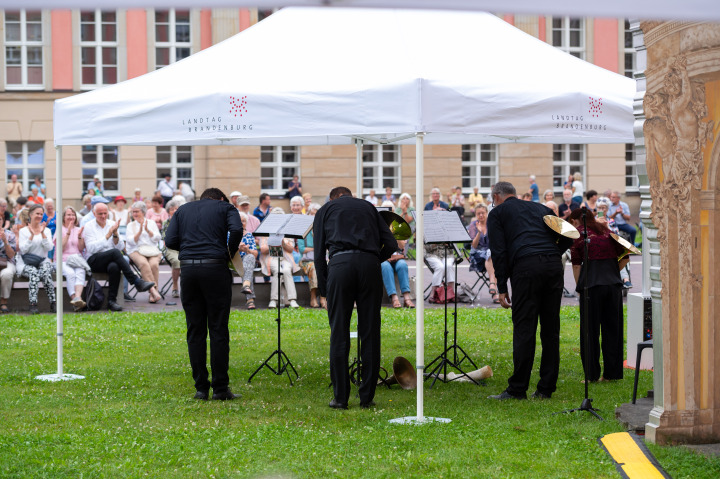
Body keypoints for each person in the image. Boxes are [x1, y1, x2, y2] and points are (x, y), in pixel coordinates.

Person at [487, 181, 572, 400]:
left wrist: (501, 287)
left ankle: (517, 389)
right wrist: (553, 252)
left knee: (525, 328)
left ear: (496, 197)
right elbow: (568, 235)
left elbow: (498, 251)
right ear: (514, 194)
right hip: (553, 266)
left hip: (526, 267)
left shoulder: (497, 213)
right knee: (550, 329)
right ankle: (546, 389)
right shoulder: (541, 208)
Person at [314, 186, 397, 410]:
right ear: (350, 195)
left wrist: (324, 290)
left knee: (339, 331)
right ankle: (366, 396)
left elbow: (319, 254)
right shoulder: (369, 207)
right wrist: (372, 258)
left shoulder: (325, 209)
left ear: (333, 198)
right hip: (369, 266)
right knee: (370, 330)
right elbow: (391, 243)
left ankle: (340, 398)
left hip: (339, 266)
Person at [164, 187, 243, 401]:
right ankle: (220, 388)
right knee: (218, 328)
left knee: (195, 330)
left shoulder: (182, 210)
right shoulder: (226, 207)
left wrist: (191, 247)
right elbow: (236, 230)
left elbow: (170, 241)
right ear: (220, 198)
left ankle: (200, 388)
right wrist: (228, 250)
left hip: (188, 270)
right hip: (215, 268)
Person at [568, 208, 626, 382]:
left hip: (591, 287)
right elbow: (625, 257)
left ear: (576, 220)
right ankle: (612, 374)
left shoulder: (577, 235)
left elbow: (577, 265)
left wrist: (580, 286)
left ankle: (591, 375)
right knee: (613, 330)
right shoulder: (607, 231)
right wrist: (611, 272)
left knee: (590, 332)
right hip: (613, 286)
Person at [83, 202, 155, 311]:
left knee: (114, 267)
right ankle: (136, 281)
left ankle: (111, 301)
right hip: (94, 260)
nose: (103, 216)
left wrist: (115, 234)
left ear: (108, 213)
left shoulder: (112, 223)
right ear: (94, 213)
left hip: (110, 260)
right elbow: (91, 249)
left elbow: (121, 246)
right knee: (114, 253)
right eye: (100, 214)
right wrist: (108, 235)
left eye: (105, 213)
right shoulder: (89, 226)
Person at [257, 207, 300, 309]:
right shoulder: (266, 230)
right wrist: (273, 243)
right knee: (278, 270)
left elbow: (290, 249)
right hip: (271, 258)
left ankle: (292, 300)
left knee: (285, 270)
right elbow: (263, 249)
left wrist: (283, 243)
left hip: (285, 258)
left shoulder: (287, 230)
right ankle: (274, 300)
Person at [17, 204, 56, 314]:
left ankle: (53, 303)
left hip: (42, 260)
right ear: (30, 214)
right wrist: (31, 236)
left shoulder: (46, 230)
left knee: (46, 272)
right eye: (37, 213)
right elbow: (23, 250)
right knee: (34, 273)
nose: (39, 216)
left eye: (41, 214)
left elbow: (49, 248)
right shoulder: (23, 231)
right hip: (26, 262)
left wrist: (42, 233)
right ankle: (33, 304)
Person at [125, 201, 164, 304]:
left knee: (154, 264)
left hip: (152, 250)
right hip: (136, 250)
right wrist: (140, 230)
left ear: (143, 212)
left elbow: (157, 238)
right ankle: (153, 291)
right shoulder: (130, 225)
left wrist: (147, 230)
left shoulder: (151, 223)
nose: (135, 214)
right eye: (133, 212)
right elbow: (130, 241)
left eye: (137, 211)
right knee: (144, 264)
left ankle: (152, 293)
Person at [55, 206, 88, 311]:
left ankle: (78, 297)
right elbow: (60, 248)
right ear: (64, 217)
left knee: (80, 271)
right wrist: (68, 233)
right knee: (70, 273)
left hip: (76, 259)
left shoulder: (79, 229)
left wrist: (79, 237)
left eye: (73, 215)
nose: (71, 217)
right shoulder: (59, 229)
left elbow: (81, 248)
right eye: (68, 215)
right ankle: (75, 300)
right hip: (62, 260)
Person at [294, 200, 323, 308]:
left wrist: (312, 248)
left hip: (321, 258)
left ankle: (324, 296)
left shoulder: (322, 229)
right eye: (312, 214)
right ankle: (313, 297)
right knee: (315, 267)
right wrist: (317, 248)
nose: (314, 217)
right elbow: (302, 249)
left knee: (329, 266)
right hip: (307, 260)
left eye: (316, 215)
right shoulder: (304, 230)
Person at [467, 204, 498, 303]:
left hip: (491, 255)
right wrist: (479, 232)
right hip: (477, 256)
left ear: (487, 213)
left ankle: (493, 287)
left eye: (483, 213)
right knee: (491, 256)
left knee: (494, 257)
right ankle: (494, 289)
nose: (481, 215)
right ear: (475, 214)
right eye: (478, 213)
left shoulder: (492, 223)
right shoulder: (473, 225)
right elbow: (474, 245)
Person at [160, 198, 184, 298]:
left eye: (176, 209)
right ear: (168, 211)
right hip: (170, 248)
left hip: (183, 248)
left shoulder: (184, 221)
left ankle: (187, 287)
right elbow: (166, 240)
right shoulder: (166, 223)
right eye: (171, 209)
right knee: (177, 261)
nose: (174, 211)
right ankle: (175, 286)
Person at [381, 239, 414, 308]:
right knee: (385, 266)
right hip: (383, 258)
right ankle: (394, 298)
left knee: (402, 265)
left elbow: (402, 246)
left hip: (397, 257)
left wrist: (396, 237)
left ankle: (406, 298)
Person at [237, 212, 258, 310]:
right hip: (234, 262)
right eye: (239, 221)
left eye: (244, 221)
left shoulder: (249, 235)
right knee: (247, 268)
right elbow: (226, 252)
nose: (241, 223)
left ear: (246, 223)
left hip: (247, 262)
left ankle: (246, 285)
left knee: (250, 258)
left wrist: (247, 250)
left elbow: (255, 254)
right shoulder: (230, 234)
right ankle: (250, 299)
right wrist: (238, 249)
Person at [0, 223, 17, 314]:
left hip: (7, 261)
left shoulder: (10, 234)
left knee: (6, 274)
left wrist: (5, 240)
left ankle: (3, 302)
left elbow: (11, 255)